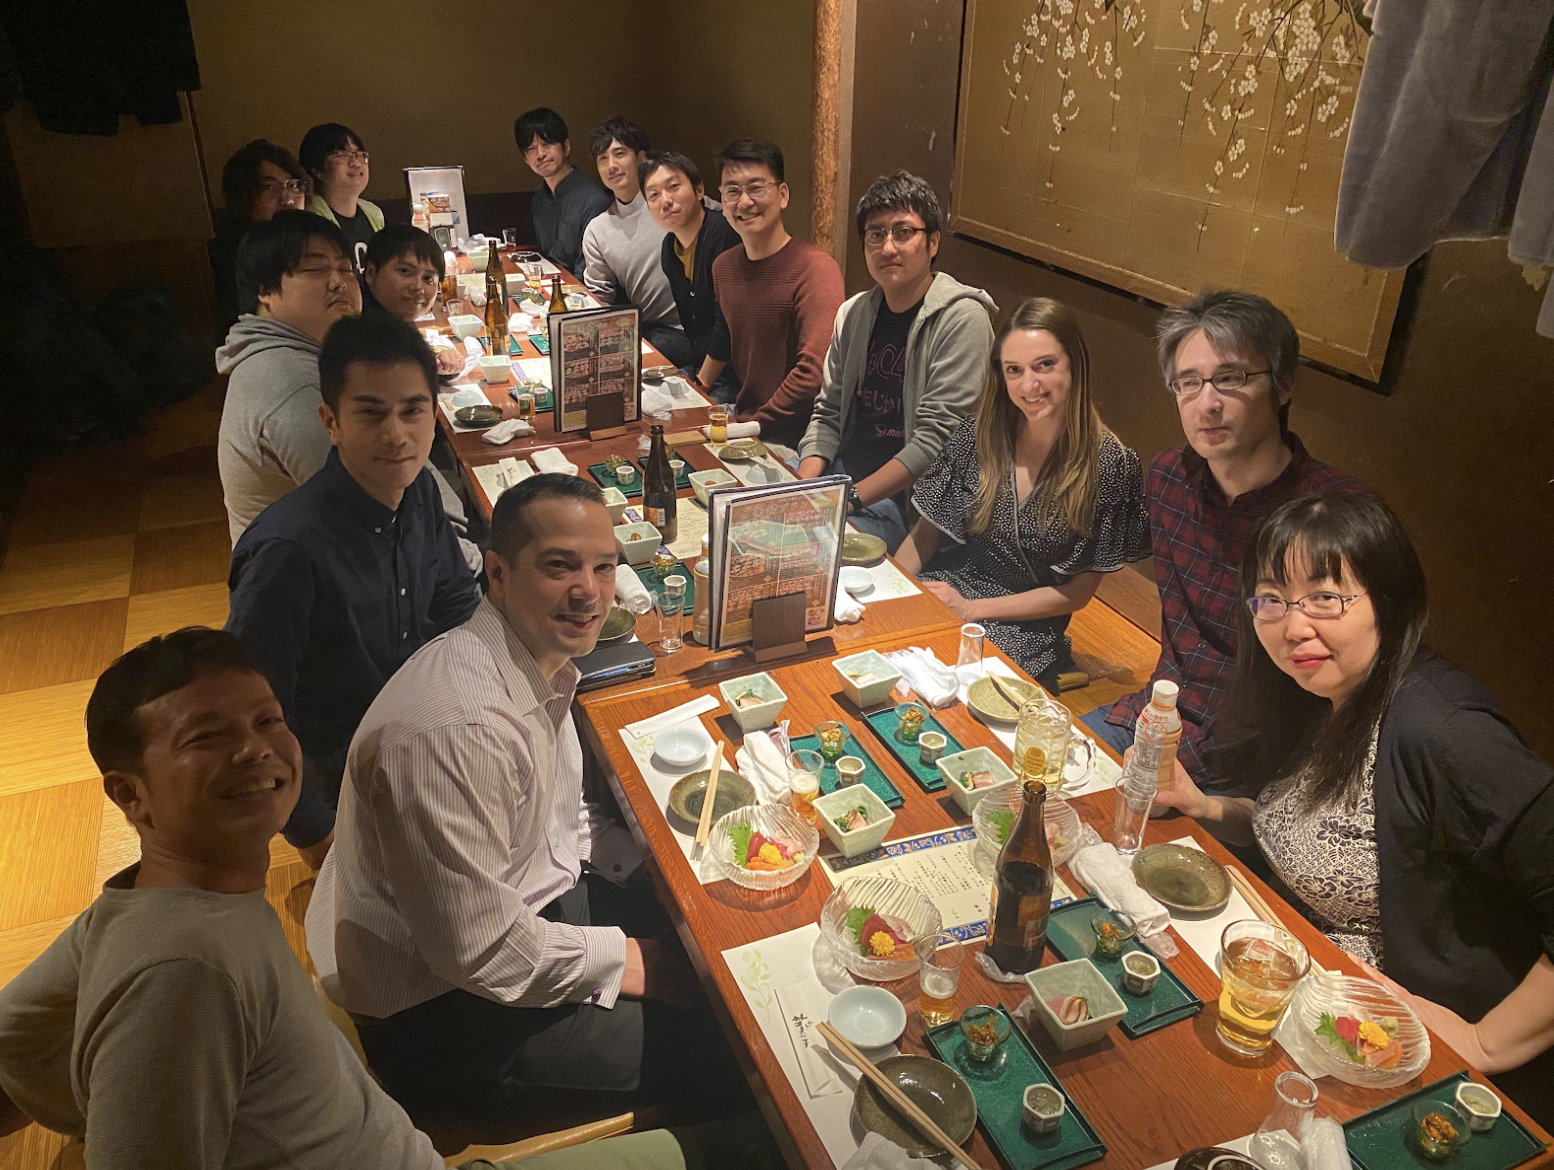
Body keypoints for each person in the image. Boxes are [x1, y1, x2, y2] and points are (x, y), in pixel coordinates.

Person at [0, 628, 742, 1170]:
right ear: (131, 796)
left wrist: (88, 1106)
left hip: (398, 1114)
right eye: (207, 738)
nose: (256, 750)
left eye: (266, 720)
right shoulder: (185, 975)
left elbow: (17, 1040)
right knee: (755, 1104)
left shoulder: (138, 905)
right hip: (438, 1069)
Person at [307, 475, 751, 1134]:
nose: (590, 591)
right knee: (733, 1050)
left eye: (604, 567)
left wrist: (663, 883)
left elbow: (555, 822)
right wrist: (630, 963)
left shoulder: (528, 663)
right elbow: (481, 951)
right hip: (446, 1017)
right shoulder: (459, 727)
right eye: (559, 566)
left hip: (509, 926)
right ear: (497, 572)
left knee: (711, 940)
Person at [1152, 490, 1554, 1127]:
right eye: (1273, 599)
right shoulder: (1322, 692)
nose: (1293, 625)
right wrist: (1202, 804)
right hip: (1307, 987)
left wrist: (1485, 1043)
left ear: (1388, 603)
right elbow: (1312, 829)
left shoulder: (1443, 730)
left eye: (1325, 597)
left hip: (1407, 1064)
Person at [226, 314, 480, 866]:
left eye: (413, 410)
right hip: (346, 781)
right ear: (330, 421)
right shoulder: (288, 551)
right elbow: (248, 716)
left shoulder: (417, 494)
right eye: (371, 413)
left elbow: (459, 605)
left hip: (420, 736)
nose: (396, 434)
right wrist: (319, 840)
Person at [1082, 289, 1366, 779]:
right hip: (1155, 721)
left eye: (1231, 378)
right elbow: (1182, 648)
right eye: (1188, 383)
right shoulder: (1169, 477)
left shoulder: (1337, 517)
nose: (1206, 404)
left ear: (1283, 386)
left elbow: (1336, 691)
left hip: (1262, 769)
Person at [896, 297, 1148, 686]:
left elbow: (1077, 594)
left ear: (1075, 365)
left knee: (956, 692)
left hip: (1025, 625)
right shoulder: (980, 434)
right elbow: (923, 535)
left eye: (1044, 365)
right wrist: (896, 595)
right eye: (1014, 370)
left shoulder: (1111, 464)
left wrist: (971, 609)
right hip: (955, 585)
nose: (1029, 385)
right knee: (883, 653)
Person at [796, 172, 996, 552]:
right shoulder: (854, 314)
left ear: (933, 242)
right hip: (839, 479)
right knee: (748, 523)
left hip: (907, 506)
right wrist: (804, 490)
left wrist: (847, 500)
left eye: (903, 232)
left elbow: (935, 443)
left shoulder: (963, 319)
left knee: (808, 556)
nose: (888, 247)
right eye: (876, 234)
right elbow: (828, 414)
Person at [217, 210, 361, 546]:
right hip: (312, 587)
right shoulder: (291, 383)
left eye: (345, 268)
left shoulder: (295, 356)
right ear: (265, 291)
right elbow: (371, 519)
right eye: (315, 269)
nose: (339, 281)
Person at [711, 138, 845, 447]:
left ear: (782, 195)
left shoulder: (815, 270)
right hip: (745, 422)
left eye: (756, 188)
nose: (744, 202)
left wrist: (752, 426)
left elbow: (814, 374)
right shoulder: (723, 267)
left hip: (797, 439)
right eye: (732, 191)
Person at [580, 118, 698, 369]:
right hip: (649, 330)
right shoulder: (597, 230)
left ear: (641, 158)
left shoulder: (671, 204)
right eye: (602, 159)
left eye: (619, 154)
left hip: (693, 330)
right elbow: (599, 298)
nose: (611, 165)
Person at [641, 151, 742, 398]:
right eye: (653, 195)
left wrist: (702, 383)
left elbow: (728, 322)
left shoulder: (722, 233)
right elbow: (693, 324)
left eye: (673, 187)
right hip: (701, 367)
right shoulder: (669, 248)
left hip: (735, 377)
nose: (665, 200)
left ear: (699, 191)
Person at [209, 139, 309, 341]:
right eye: (269, 187)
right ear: (243, 196)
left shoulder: (314, 242)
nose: (287, 198)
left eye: (294, 185)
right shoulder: (232, 254)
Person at [516, 107, 612, 280]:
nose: (540, 154)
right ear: (525, 159)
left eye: (546, 144)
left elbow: (588, 274)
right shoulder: (539, 200)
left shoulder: (593, 201)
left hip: (581, 297)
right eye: (531, 148)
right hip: (550, 289)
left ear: (566, 147)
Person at [362, 224, 464, 375]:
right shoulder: (361, 331)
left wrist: (438, 363)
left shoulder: (395, 314)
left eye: (428, 278)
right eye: (404, 271)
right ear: (371, 273)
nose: (418, 287)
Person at [300, 122, 383, 277]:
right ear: (317, 170)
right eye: (341, 155)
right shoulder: (309, 219)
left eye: (360, 155)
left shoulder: (374, 214)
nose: (355, 163)